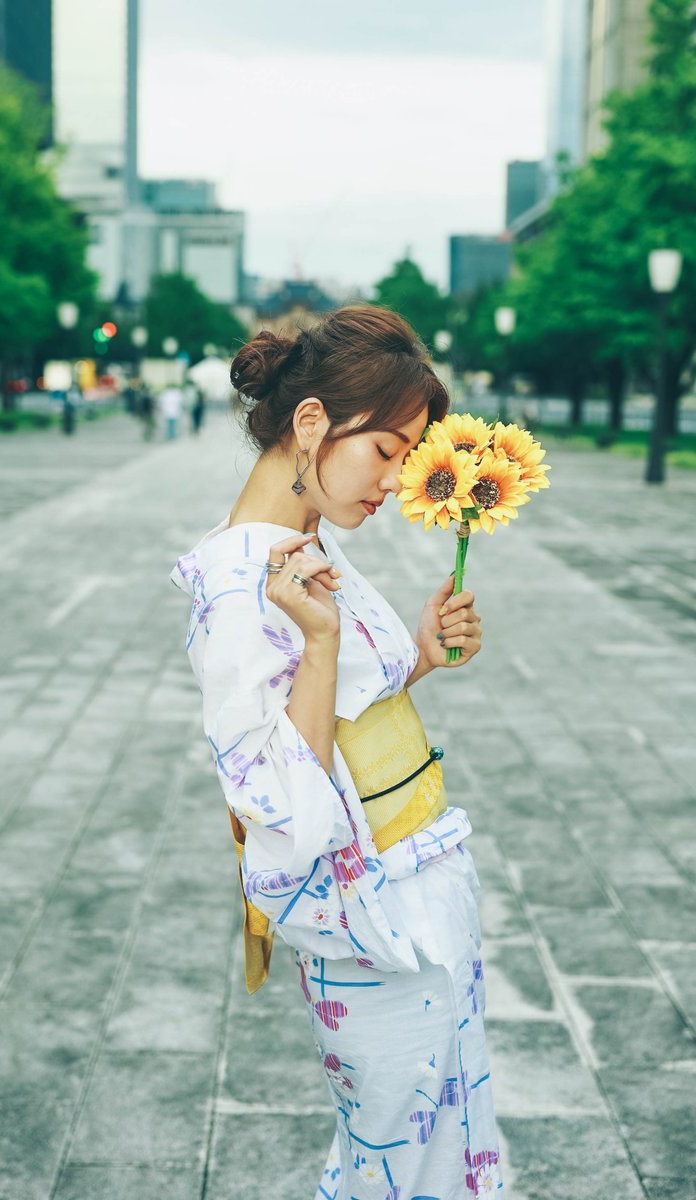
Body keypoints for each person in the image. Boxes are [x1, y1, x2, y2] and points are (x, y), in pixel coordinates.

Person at [170, 307, 501, 1198]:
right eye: (387, 450)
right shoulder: (240, 591)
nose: (396, 480)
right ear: (311, 423)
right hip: (371, 923)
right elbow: (287, 806)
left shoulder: (303, 546)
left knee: (435, 1150)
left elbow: (348, 726)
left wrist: (422, 655)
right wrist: (317, 646)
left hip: (419, 883)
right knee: (404, 1165)